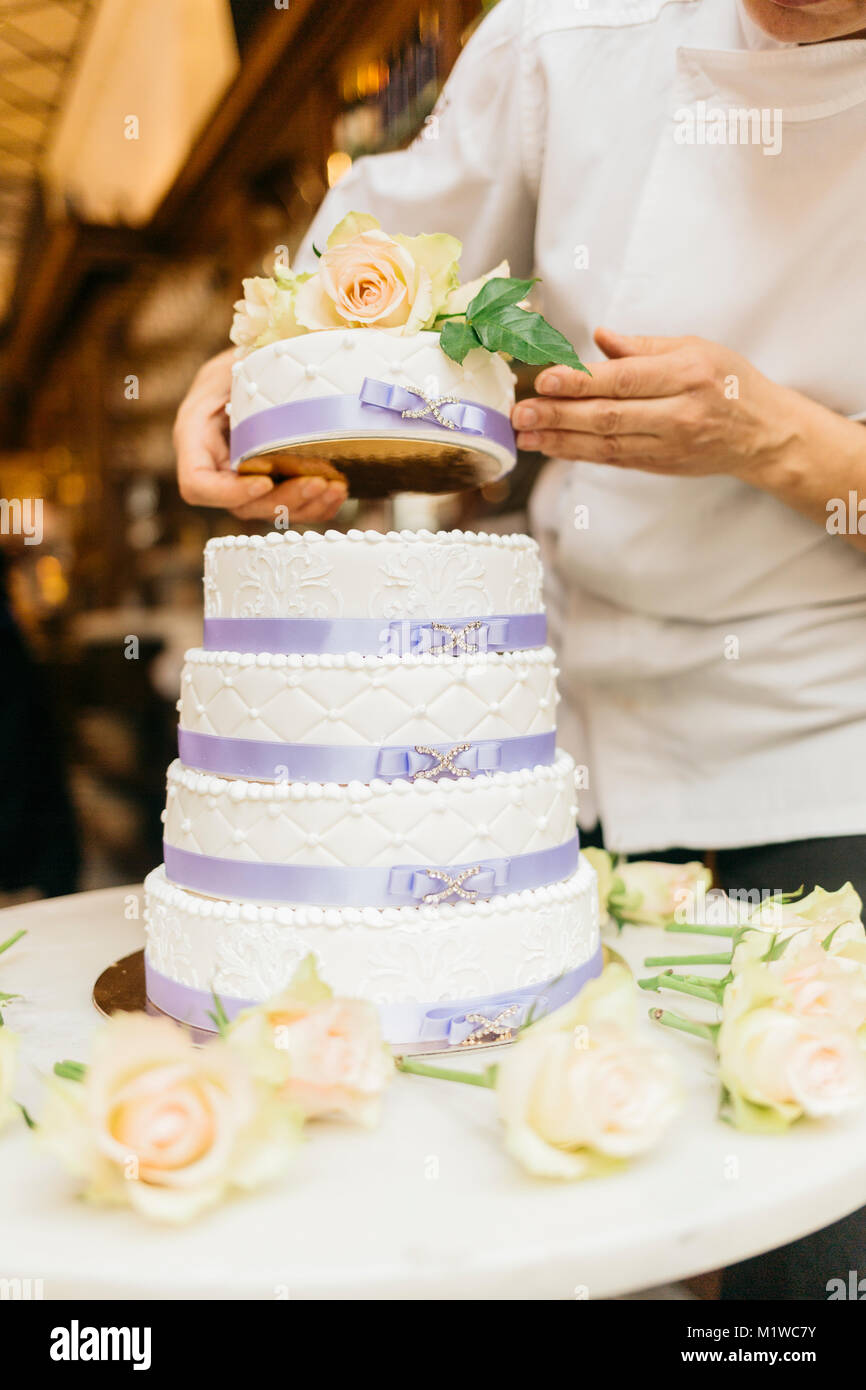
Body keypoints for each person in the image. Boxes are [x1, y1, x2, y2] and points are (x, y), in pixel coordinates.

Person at [174, 0, 866, 1297]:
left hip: (828, 744)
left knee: (815, 1262)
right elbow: (371, 285)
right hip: (545, 743)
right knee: (491, 1219)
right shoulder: (567, 31)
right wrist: (252, 383)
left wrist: (792, 447)